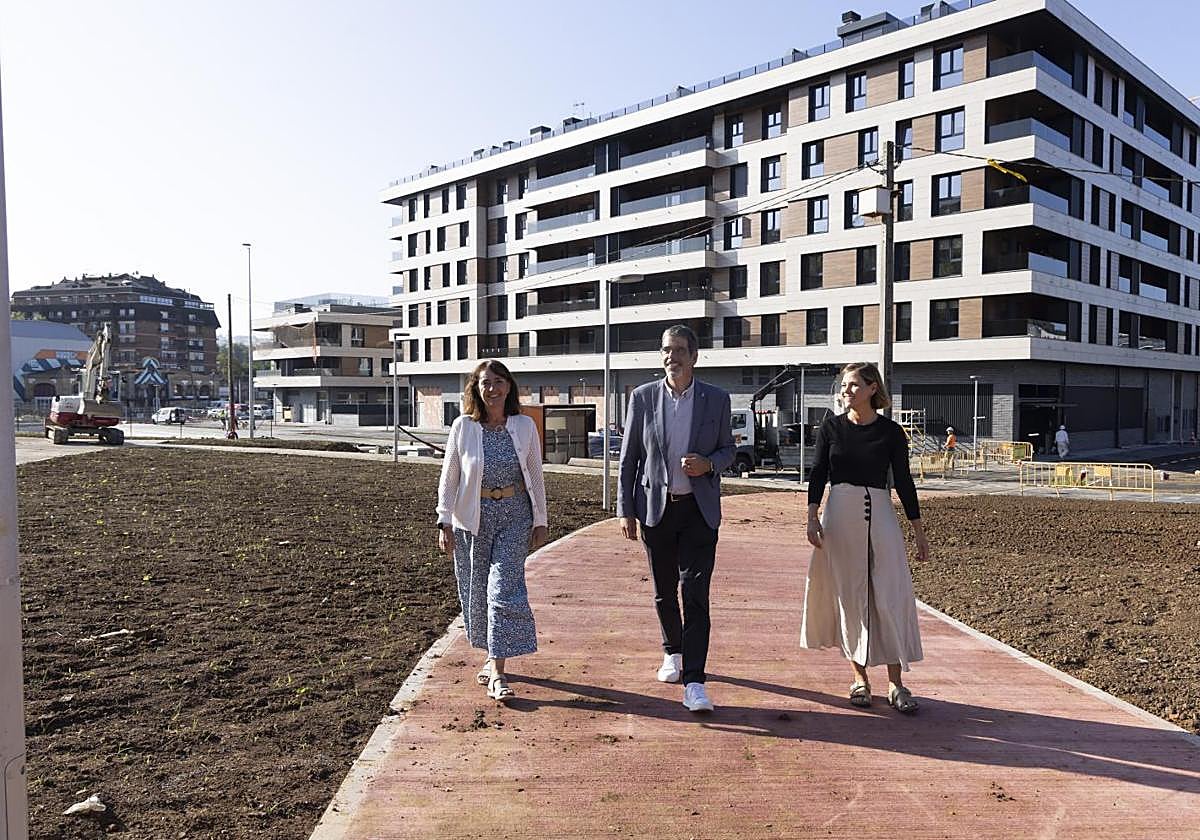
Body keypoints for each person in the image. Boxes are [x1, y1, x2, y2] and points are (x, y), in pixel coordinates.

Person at [617, 325, 735, 713]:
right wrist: (625, 509)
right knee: (664, 590)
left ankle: (695, 682)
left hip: (699, 510)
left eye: (680, 350)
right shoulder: (642, 397)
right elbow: (629, 458)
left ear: (694, 356)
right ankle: (673, 651)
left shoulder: (716, 399)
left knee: (695, 593)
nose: (673, 356)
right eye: (667, 350)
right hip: (656, 508)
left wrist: (708, 464)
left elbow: (728, 450)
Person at [801, 362, 930, 714]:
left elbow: (904, 481)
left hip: (881, 512)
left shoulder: (891, 432)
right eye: (845, 385)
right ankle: (859, 679)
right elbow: (818, 473)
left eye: (854, 384)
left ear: (873, 389)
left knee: (888, 594)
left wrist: (918, 531)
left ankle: (896, 683)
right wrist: (812, 517)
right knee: (849, 596)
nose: (847, 390)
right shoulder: (831, 428)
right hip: (839, 515)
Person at [436, 360, 548, 703]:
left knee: (503, 588)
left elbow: (535, 472)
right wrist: (444, 521)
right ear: (476, 388)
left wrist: (540, 519)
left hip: (515, 516)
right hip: (473, 518)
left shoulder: (524, 425)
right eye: (485, 383)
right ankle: (490, 653)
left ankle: (498, 671)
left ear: (509, 386)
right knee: (477, 590)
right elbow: (450, 475)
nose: (492, 389)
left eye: (498, 382)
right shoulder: (463, 427)